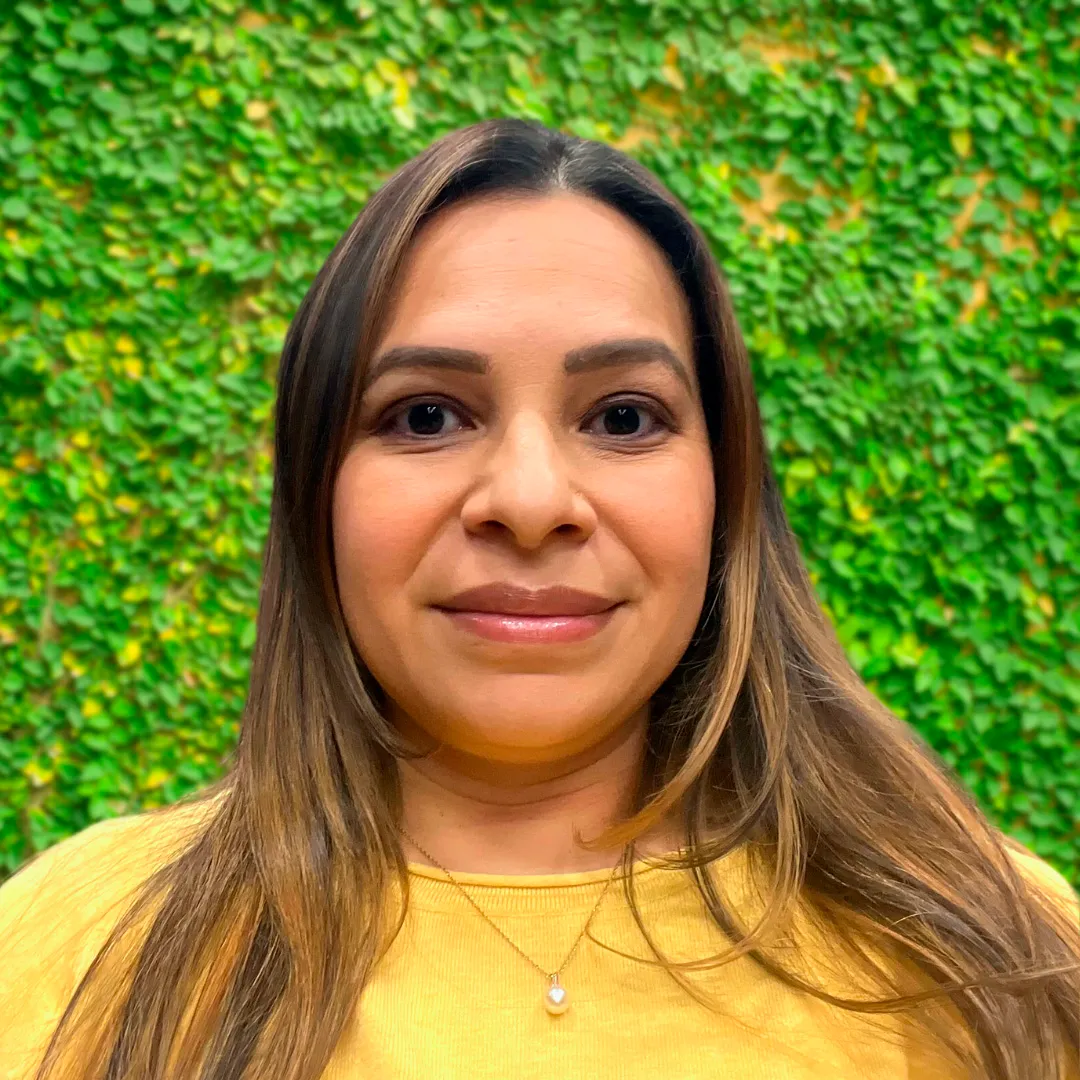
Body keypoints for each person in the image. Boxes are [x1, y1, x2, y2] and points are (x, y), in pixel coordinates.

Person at [0, 117, 1077, 1080]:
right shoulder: (75, 952)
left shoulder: (1000, 962)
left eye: (622, 418)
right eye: (425, 416)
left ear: (726, 488)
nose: (528, 501)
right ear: (315, 487)